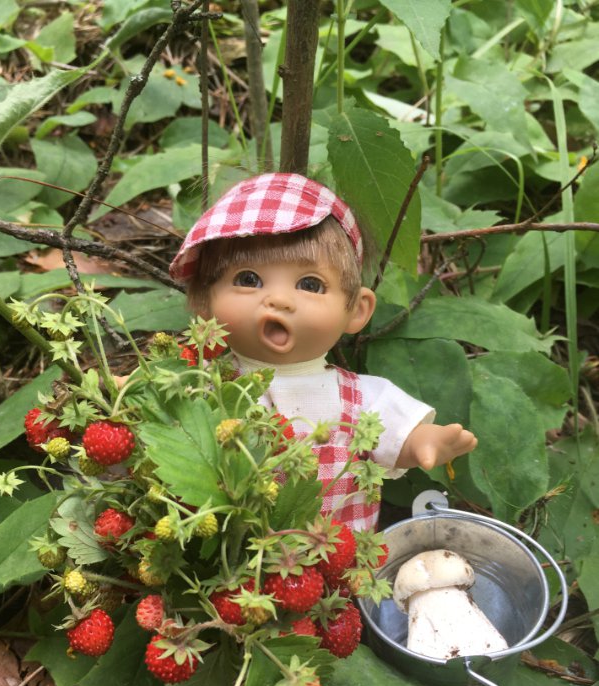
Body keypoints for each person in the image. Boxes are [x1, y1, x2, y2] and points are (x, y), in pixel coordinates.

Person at [169, 172, 477, 531]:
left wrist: (421, 440)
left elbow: (395, 433)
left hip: (338, 563)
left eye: (310, 284)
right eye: (248, 280)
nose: (278, 299)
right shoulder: (209, 387)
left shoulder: (361, 398)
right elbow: (171, 425)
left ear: (357, 310)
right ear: (205, 302)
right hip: (235, 562)